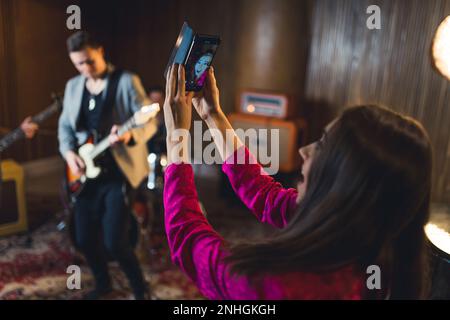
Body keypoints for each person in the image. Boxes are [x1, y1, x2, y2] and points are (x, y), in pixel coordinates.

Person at [162, 64, 432, 299]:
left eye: (323, 146)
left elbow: (189, 241)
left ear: (347, 182)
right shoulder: (373, 244)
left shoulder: (281, 285)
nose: (304, 151)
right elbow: (265, 195)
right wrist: (213, 115)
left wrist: (176, 137)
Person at [58, 31, 157, 300]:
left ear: (100, 51)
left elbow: (149, 120)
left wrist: (129, 135)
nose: (85, 68)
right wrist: (69, 155)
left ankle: (140, 290)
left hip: (119, 174)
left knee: (116, 242)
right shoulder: (73, 87)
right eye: (79, 64)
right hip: (85, 173)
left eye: (90, 61)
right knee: (83, 238)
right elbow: (65, 127)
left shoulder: (126, 81)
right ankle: (104, 284)